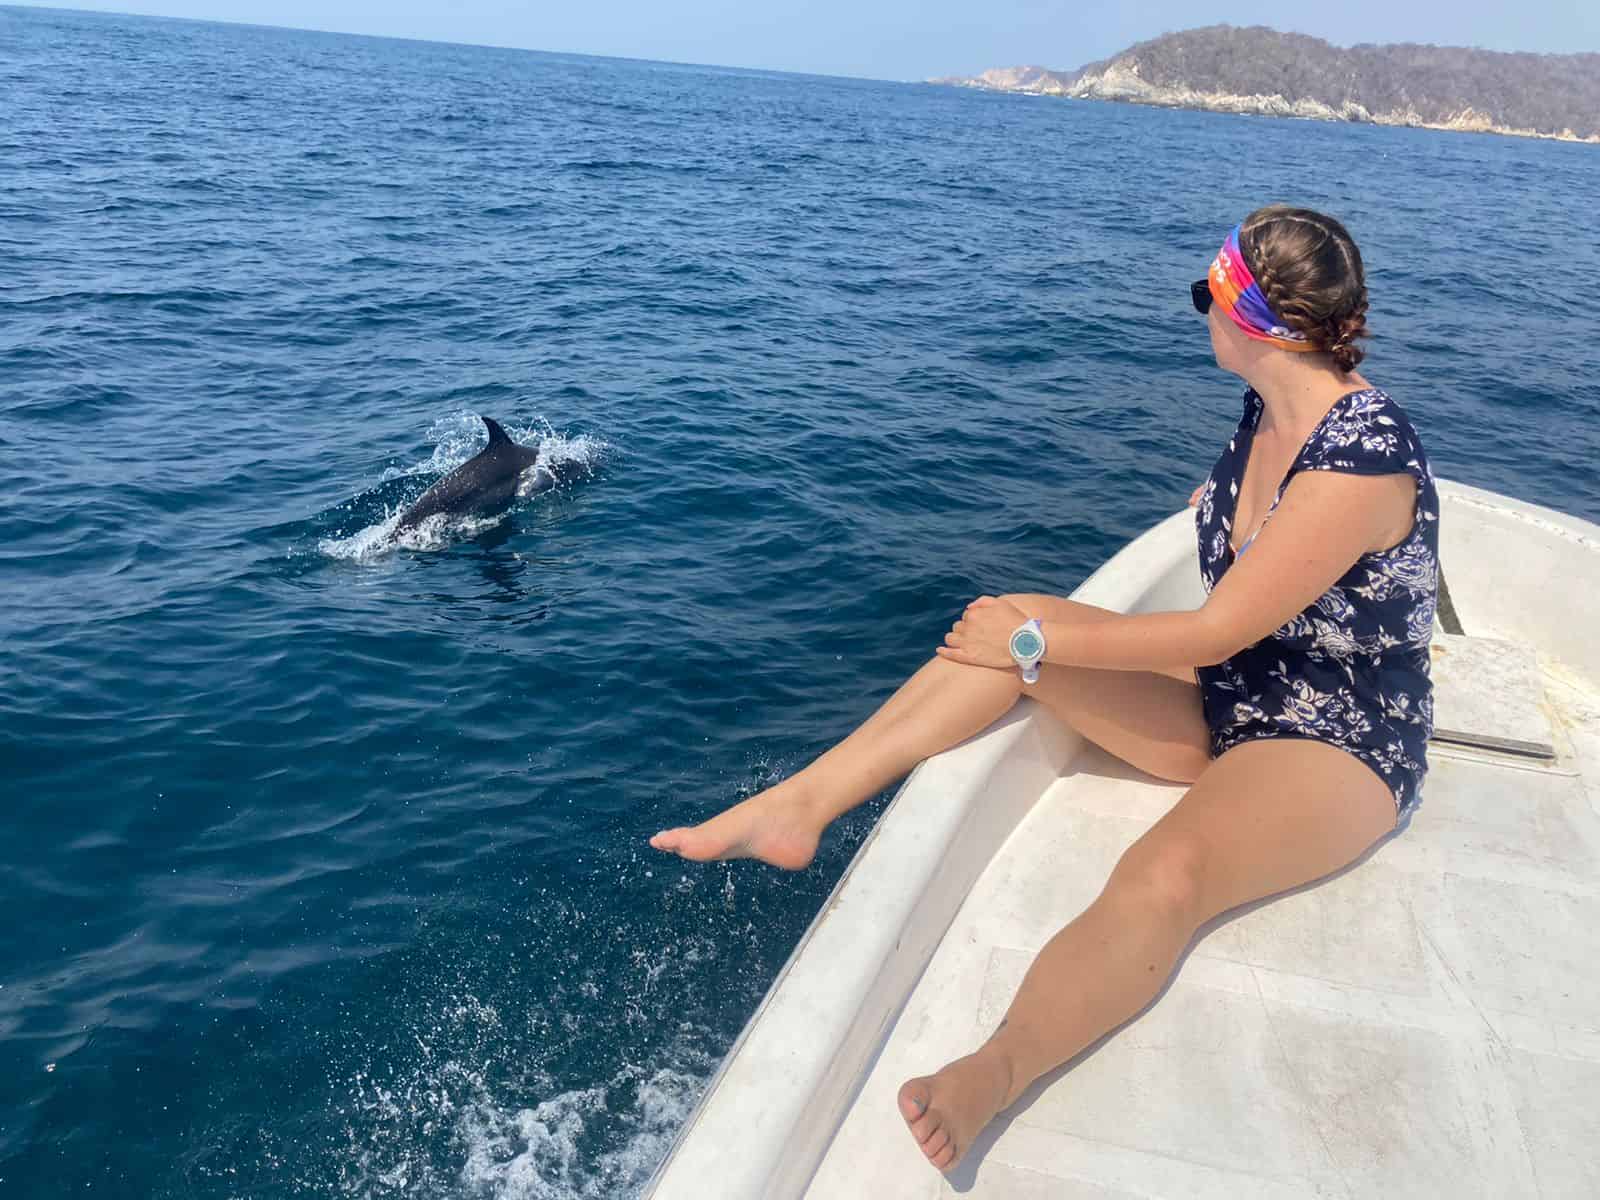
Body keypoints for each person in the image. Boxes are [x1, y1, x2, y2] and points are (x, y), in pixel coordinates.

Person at [649, 205, 1440, 1173]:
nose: (1198, 311)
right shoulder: (1270, 410)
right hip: (1232, 701)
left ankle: (995, 1070)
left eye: (1205, 294)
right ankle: (800, 806)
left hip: (1336, 742)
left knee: (1166, 873)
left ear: (1255, 322)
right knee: (1007, 625)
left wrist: (1036, 639)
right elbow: (1244, 578)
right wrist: (1042, 625)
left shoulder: (1360, 456)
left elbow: (1215, 625)